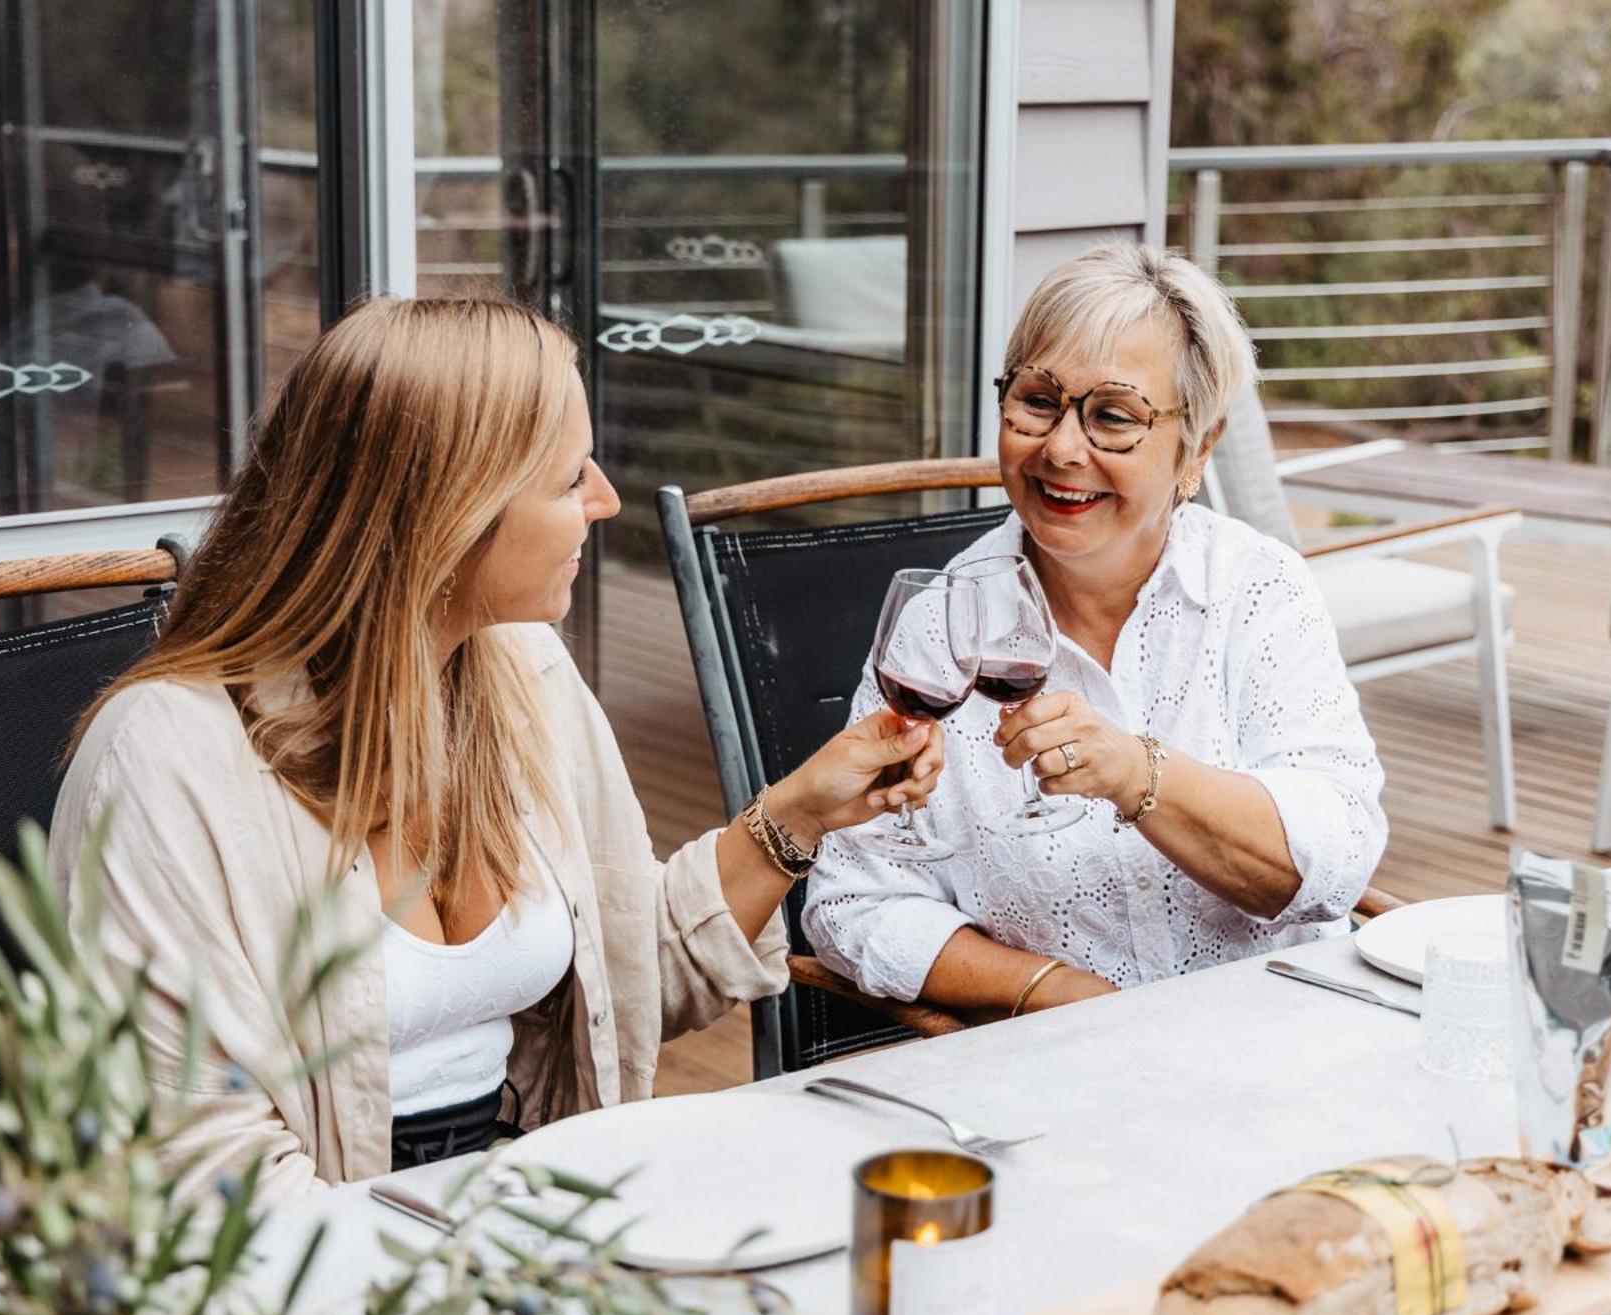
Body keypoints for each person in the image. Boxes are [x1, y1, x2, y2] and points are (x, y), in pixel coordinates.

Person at [49, 297, 945, 1202]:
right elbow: (199, 1169)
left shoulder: (517, 670)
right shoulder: (168, 759)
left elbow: (631, 971)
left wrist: (799, 816)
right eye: (568, 480)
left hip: (514, 1215)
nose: (607, 499)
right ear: (447, 512)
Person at [803, 242, 1387, 1020]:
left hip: (1282, 1037)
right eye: (1039, 401)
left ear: (1196, 448)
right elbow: (854, 902)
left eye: (1114, 416)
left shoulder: (1258, 590)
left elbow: (1337, 852)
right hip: (1061, 1069)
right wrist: (1051, 990)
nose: (1062, 449)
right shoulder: (942, 623)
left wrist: (1137, 773)